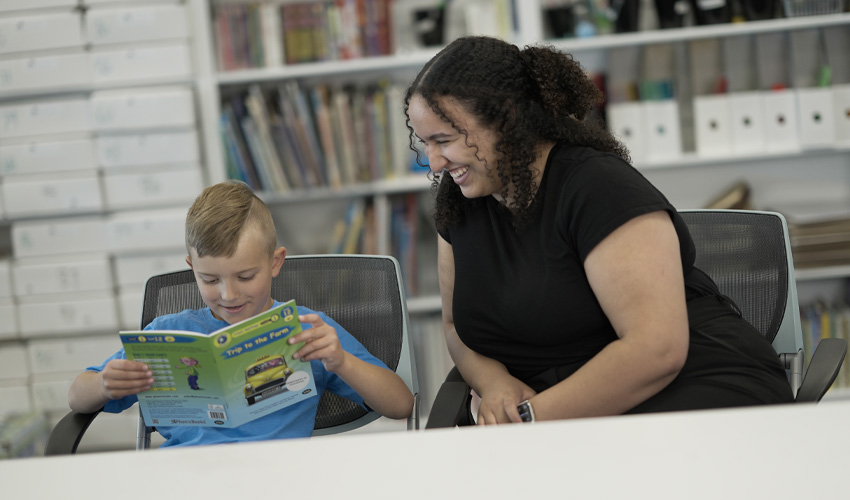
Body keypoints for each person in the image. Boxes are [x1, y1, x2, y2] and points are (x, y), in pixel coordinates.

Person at [404, 35, 794, 425]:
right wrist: (494, 383)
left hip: (692, 384)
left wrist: (529, 419)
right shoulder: (458, 202)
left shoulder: (598, 187)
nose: (435, 163)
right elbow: (456, 325)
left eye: (445, 140)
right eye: (425, 144)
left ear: (505, 118)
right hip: (559, 411)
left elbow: (656, 351)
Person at [68, 181, 414, 446]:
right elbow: (77, 396)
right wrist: (103, 383)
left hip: (279, 480)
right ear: (192, 268)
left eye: (245, 276)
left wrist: (342, 361)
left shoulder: (308, 330)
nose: (228, 294)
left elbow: (400, 404)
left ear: (275, 262)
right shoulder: (169, 332)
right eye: (209, 279)